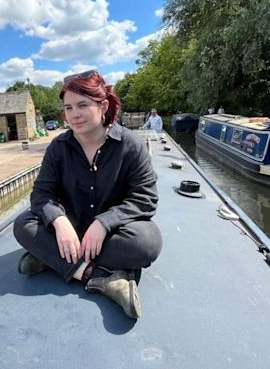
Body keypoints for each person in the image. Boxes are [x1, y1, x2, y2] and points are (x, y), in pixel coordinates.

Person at [13, 70, 163, 319]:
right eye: (68, 107)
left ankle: (52, 258)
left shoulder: (130, 146)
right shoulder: (58, 148)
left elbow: (145, 198)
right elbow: (41, 194)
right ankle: (99, 277)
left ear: (103, 106)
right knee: (23, 224)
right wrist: (59, 222)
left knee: (147, 241)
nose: (74, 115)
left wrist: (105, 222)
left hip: (110, 235)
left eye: (83, 105)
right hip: (69, 230)